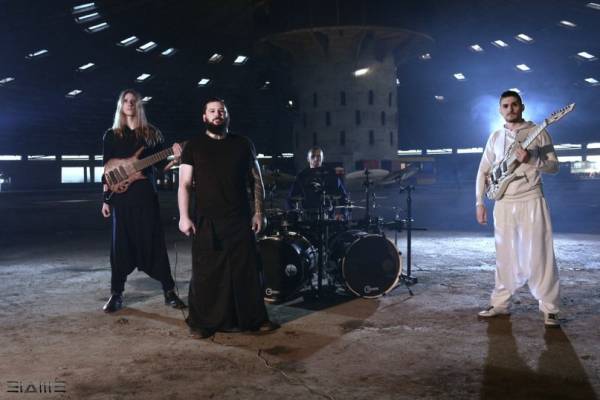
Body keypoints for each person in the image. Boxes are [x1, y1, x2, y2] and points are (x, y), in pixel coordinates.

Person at [177, 98, 278, 338]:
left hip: (240, 219)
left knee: (246, 272)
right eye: (212, 111)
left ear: (227, 116)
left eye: (221, 111)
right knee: (206, 274)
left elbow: (257, 181)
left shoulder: (243, 144)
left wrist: (259, 212)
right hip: (206, 221)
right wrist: (184, 216)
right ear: (204, 117)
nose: (217, 114)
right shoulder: (193, 146)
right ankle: (202, 323)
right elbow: (184, 184)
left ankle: (254, 319)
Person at [476, 90, 560, 327]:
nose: (510, 109)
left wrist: (531, 159)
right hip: (503, 202)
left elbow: (554, 167)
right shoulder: (495, 137)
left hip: (532, 198)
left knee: (541, 255)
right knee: (504, 257)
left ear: (522, 107)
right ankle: (500, 304)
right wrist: (479, 202)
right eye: (505, 105)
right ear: (500, 110)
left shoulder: (539, 132)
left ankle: (550, 309)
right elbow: (483, 171)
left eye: (514, 104)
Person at [101, 89, 186, 313]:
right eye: (126, 101)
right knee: (119, 246)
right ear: (121, 105)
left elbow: (161, 167)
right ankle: (116, 293)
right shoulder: (111, 135)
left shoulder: (151, 133)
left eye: (134, 101)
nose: (129, 104)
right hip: (121, 199)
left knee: (155, 242)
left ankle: (169, 291)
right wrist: (105, 200)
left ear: (139, 105)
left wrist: (175, 158)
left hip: (146, 196)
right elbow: (106, 171)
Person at [287, 146, 348, 220]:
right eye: (313, 156)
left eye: (319, 156)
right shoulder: (302, 176)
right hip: (308, 217)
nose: (316, 159)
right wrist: (294, 215)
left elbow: (344, 197)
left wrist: (342, 214)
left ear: (322, 158)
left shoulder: (331, 175)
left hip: (329, 217)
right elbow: (290, 199)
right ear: (308, 159)